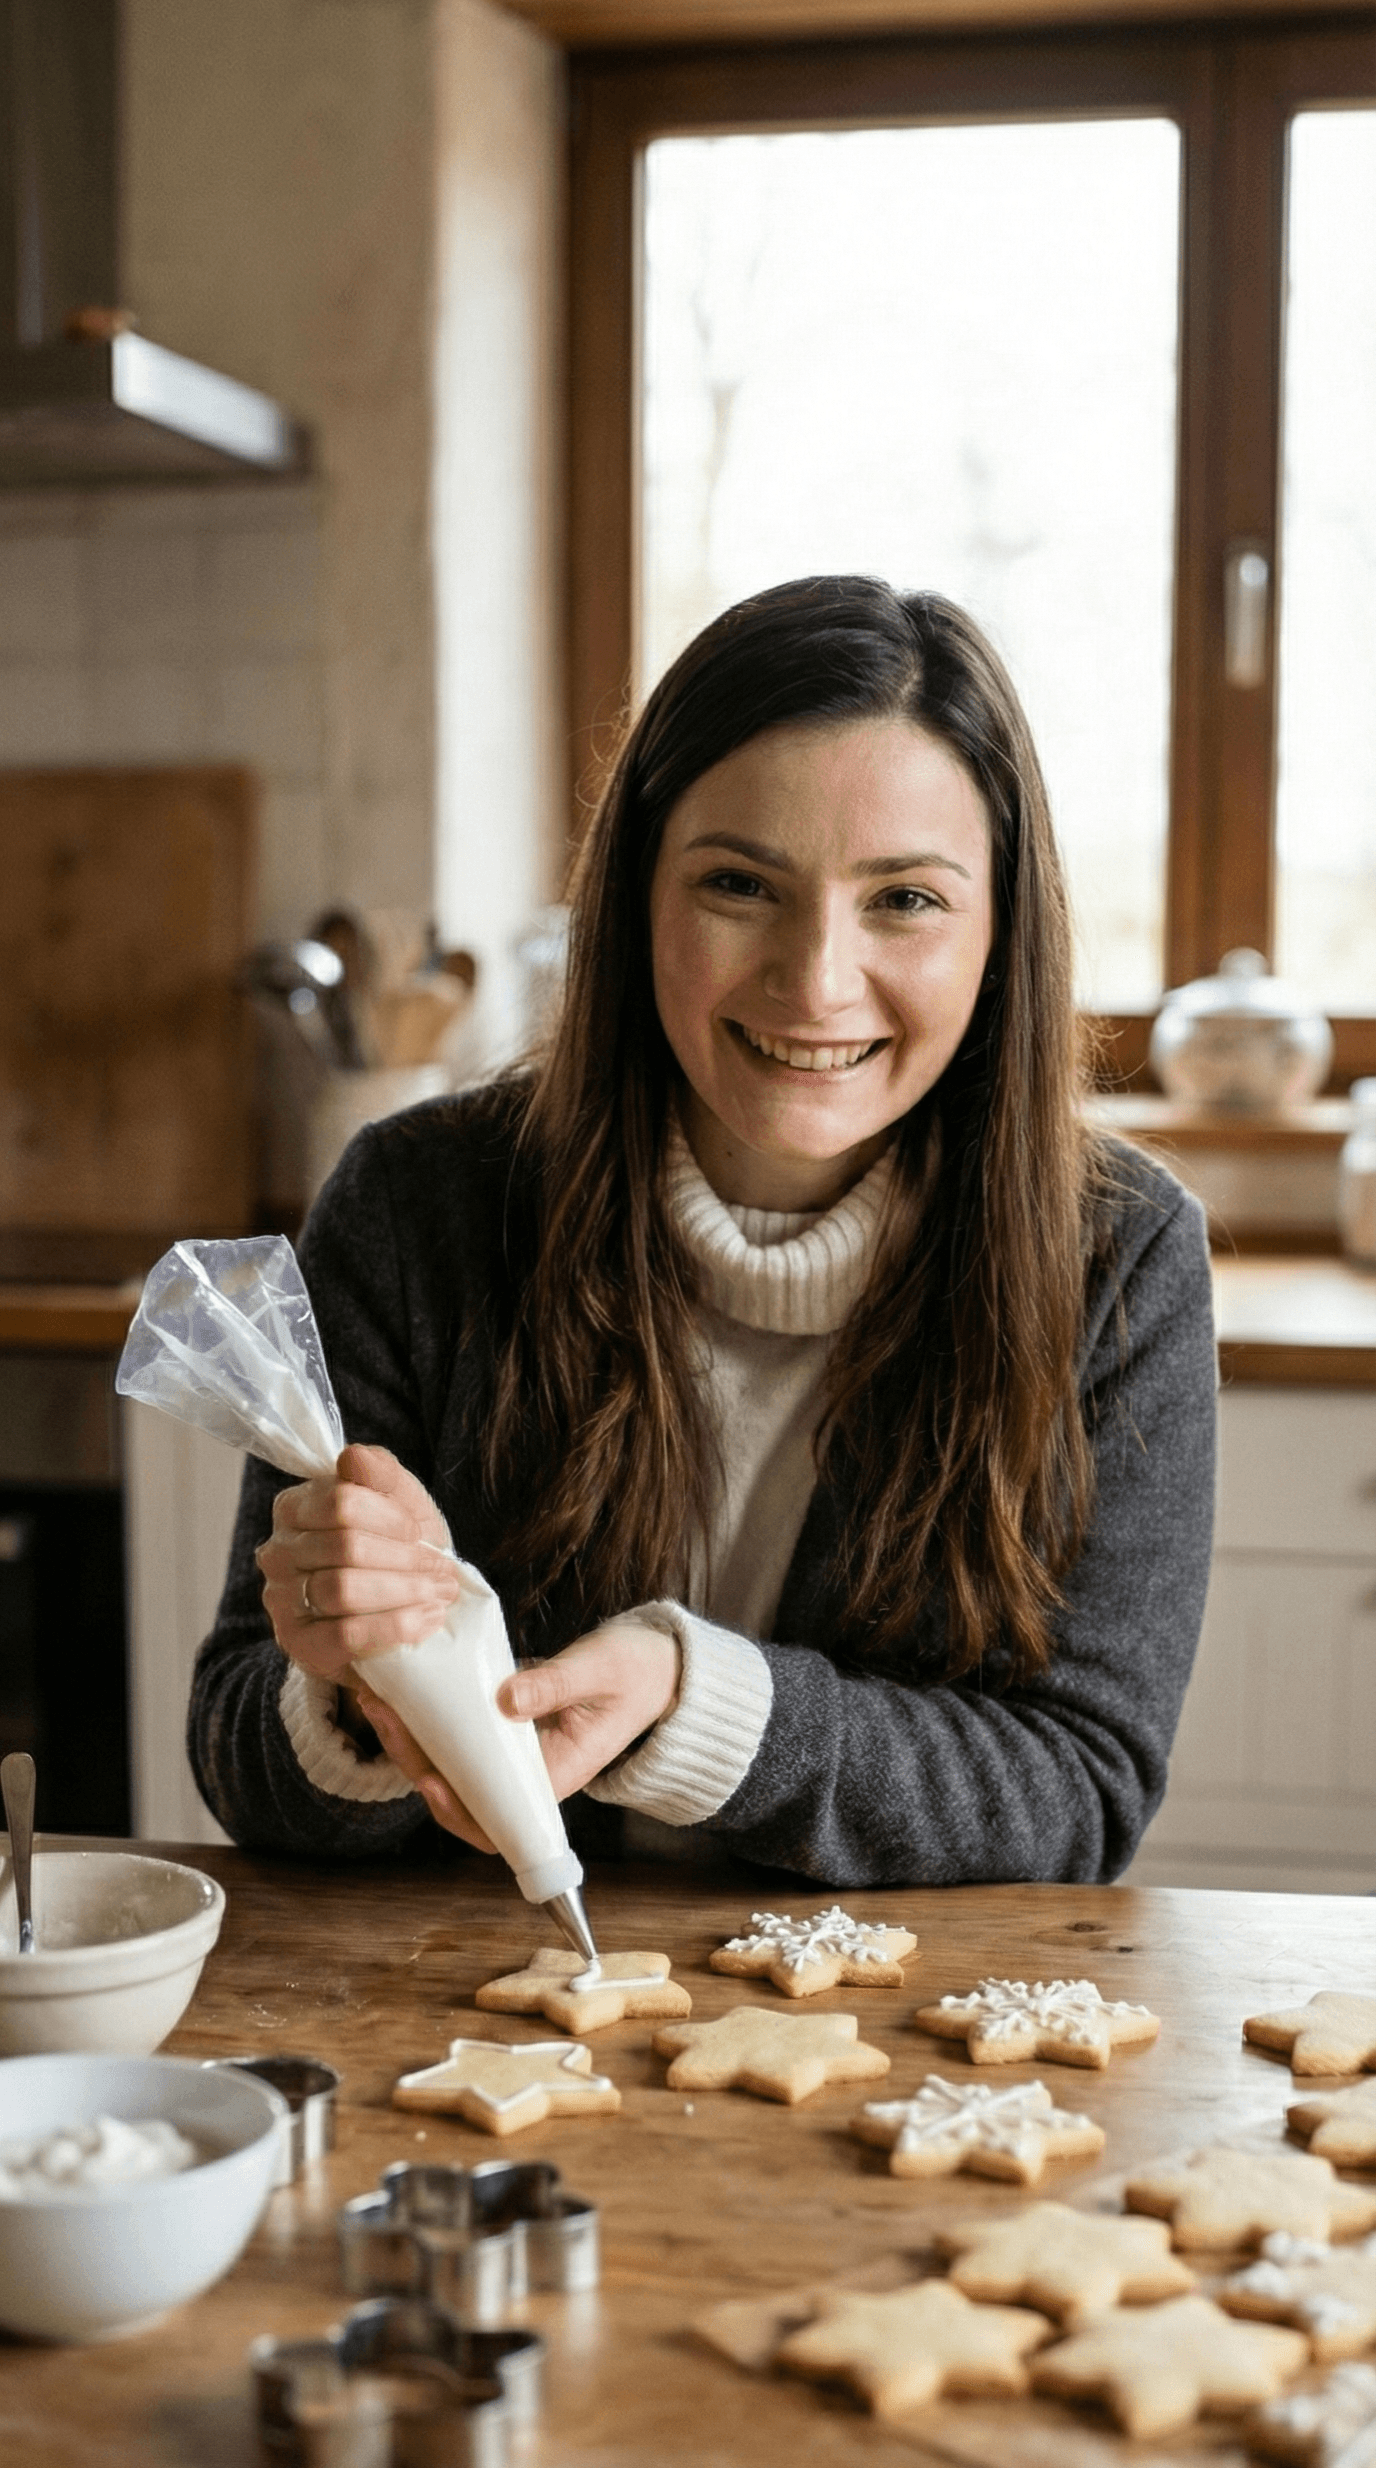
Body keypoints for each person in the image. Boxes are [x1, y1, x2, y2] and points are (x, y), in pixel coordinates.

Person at [190, 576, 1216, 1888]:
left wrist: (710, 1707)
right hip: (472, 2018)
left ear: (1001, 928)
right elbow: (238, 1750)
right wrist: (348, 1692)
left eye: (904, 899)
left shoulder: (1118, 1260)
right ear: (634, 898)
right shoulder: (416, 1206)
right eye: (740, 883)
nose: (815, 981)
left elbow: (1081, 1793)